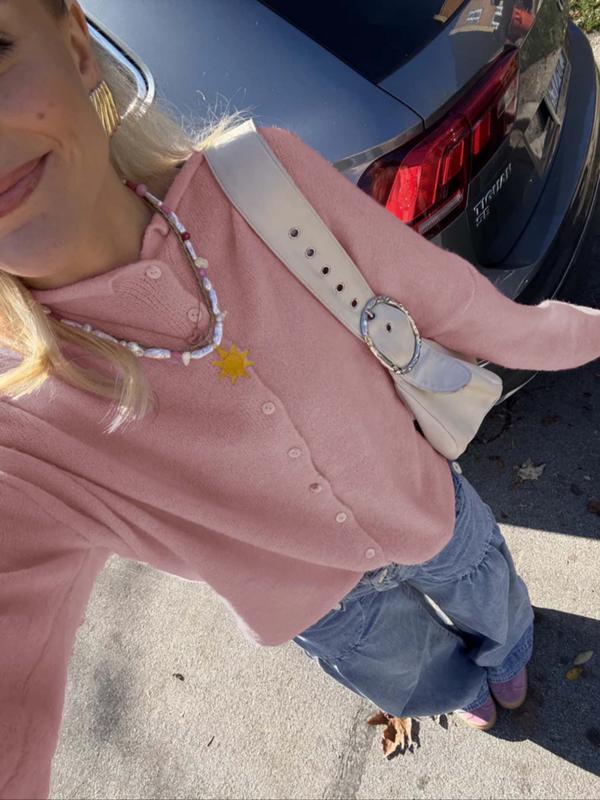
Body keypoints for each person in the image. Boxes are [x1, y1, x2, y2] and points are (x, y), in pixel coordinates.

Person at [1, 1, 599, 797]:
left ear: (76, 45)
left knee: (493, 597)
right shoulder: (21, 424)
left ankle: (510, 654)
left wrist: (582, 334)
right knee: (416, 675)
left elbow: (455, 303)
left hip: (426, 504)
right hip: (330, 615)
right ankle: (459, 689)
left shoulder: (262, 182)